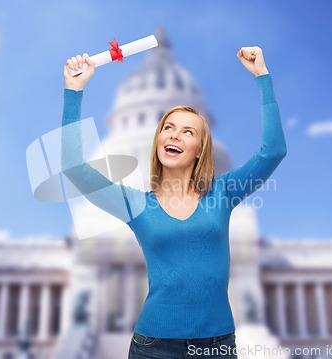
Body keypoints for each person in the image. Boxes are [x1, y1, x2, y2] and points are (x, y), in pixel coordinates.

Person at [61, 46, 287, 359]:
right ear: (157, 143)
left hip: (216, 346)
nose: (174, 135)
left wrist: (262, 76)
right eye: (167, 127)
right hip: (153, 346)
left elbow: (272, 152)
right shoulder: (136, 204)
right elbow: (74, 168)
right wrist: (74, 90)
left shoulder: (222, 193)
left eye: (187, 131)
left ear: (200, 150)